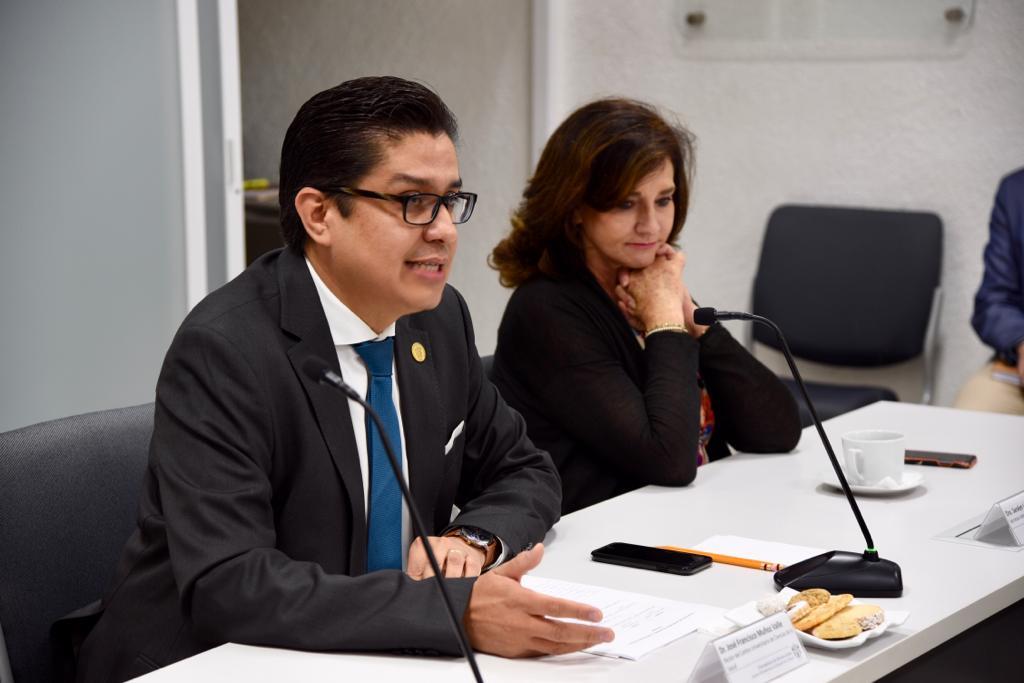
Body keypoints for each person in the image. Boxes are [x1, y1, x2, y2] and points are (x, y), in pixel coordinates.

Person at [74, 77, 613, 681]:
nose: (444, 230)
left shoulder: (436, 321)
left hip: (372, 651)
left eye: (451, 200)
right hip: (213, 661)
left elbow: (526, 469)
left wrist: (473, 539)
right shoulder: (225, 350)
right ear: (320, 214)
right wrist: (449, 613)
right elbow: (232, 585)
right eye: (413, 201)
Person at [489, 98, 801, 514]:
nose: (651, 226)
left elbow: (779, 431)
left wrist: (696, 325)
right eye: (625, 203)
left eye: (664, 200)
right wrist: (666, 324)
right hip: (604, 547)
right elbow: (669, 460)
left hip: (686, 521)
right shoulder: (546, 310)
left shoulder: (648, 284)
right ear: (576, 207)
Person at [954, 167, 1024, 415]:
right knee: (971, 413)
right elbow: (993, 301)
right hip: (1017, 369)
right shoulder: (1015, 190)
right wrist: (1021, 341)